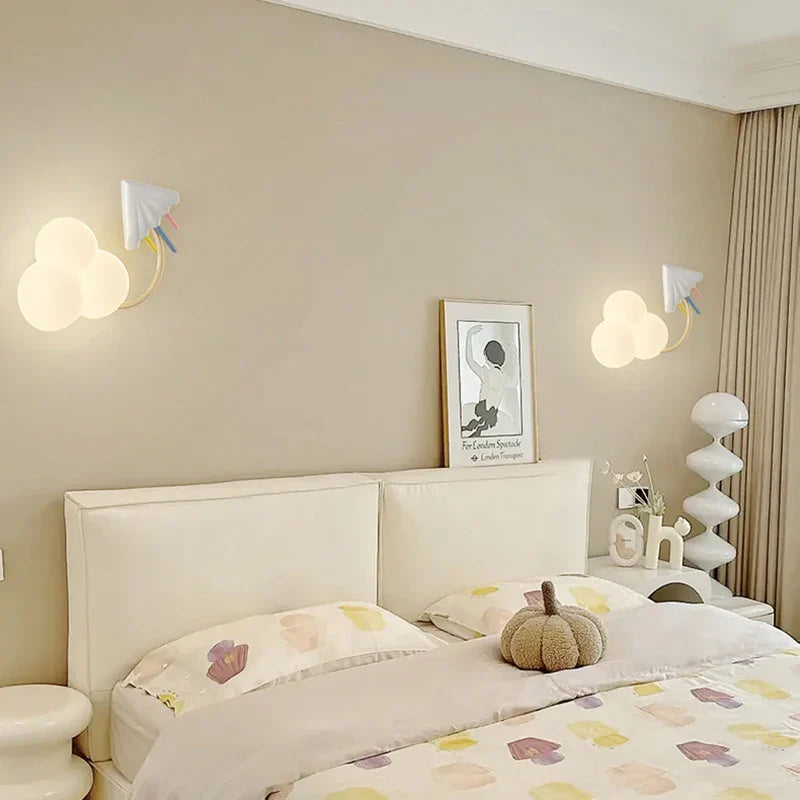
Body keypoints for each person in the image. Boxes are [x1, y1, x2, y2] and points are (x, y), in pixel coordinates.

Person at [461, 324, 509, 437]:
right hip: (493, 420)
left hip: (479, 414)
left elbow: (469, 359)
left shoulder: (485, 374)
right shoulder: (504, 377)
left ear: (486, 357)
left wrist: (469, 335)